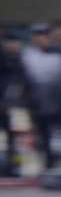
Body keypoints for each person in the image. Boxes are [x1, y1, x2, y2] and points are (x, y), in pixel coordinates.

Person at [21, 22, 61, 169]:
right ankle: (49, 167)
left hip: (60, 101)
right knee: (43, 137)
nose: (41, 39)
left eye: (44, 36)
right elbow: (25, 81)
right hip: (38, 103)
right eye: (37, 36)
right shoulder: (27, 55)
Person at [0, 30, 25, 176]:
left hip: (17, 105)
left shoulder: (21, 60)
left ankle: (14, 165)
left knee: (15, 139)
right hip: (4, 104)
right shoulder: (3, 60)